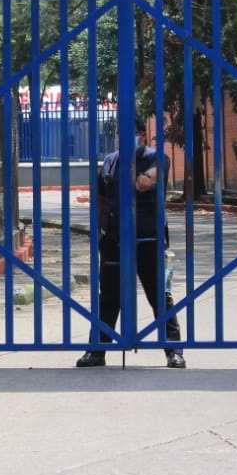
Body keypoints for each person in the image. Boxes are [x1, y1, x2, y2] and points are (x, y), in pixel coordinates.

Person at [77, 117, 186, 368]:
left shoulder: (154, 157)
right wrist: (99, 232)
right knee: (109, 297)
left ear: (143, 135)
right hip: (114, 238)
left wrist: (148, 176)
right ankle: (97, 350)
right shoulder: (110, 161)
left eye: (135, 133)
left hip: (148, 238)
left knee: (159, 295)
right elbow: (101, 198)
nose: (130, 138)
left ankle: (174, 350)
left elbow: (162, 167)